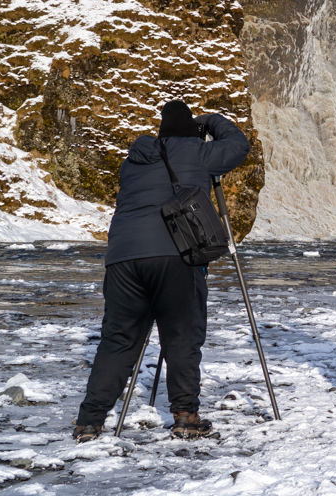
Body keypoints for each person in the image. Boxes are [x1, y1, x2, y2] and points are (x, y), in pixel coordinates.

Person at [72, 101, 250, 443]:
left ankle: (89, 422)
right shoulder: (197, 152)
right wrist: (210, 121)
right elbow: (238, 146)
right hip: (176, 255)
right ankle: (185, 416)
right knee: (181, 336)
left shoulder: (132, 163)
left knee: (118, 340)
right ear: (191, 133)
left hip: (122, 258)